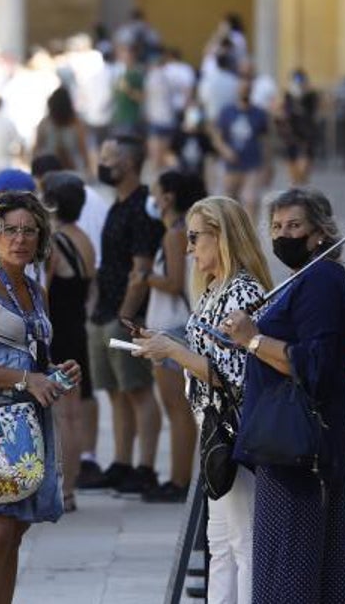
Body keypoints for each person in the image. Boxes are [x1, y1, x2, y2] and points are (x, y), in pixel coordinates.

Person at [131, 195, 272, 602]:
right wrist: (165, 344)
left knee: (241, 542)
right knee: (222, 541)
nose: (188, 248)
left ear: (222, 237)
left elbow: (233, 373)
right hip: (215, 428)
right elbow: (211, 354)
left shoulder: (241, 292)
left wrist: (172, 351)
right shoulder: (215, 289)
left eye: (195, 238)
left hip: (236, 430)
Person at [221, 187, 345, 602]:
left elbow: (315, 364)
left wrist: (253, 340)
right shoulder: (308, 278)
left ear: (320, 232)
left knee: (286, 577)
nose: (284, 235)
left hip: (297, 453)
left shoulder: (320, 280)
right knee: (305, 574)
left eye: (295, 225)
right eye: (277, 227)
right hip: (290, 451)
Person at [0, 191, 82, 604]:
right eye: (10, 230)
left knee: (14, 533)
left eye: (29, 230)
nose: (19, 238)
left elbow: (32, 358)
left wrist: (55, 373)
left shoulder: (35, 289)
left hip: (27, 422)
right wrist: (27, 379)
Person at [84, 136, 164, 493]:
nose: (102, 163)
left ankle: (145, 466)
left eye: (108, 157)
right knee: (116, 391)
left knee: (138, 389)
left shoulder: (143, 207)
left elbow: (141, 268)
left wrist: (125, 317)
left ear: (129, 163)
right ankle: (121, 461)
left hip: (127, 314)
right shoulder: (117, 203)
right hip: (106, 311)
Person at [134, 170, 206, 504]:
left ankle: (180, 480)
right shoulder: (178, 232)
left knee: (176, 407)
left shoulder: (175, 235)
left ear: (170, 196)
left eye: (158, 191)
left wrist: (146, 275)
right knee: (175, 407)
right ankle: (179, 477)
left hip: (173, 327)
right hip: (170, 325)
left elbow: (175, 282)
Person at [41, 172, 96, 512]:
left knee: (62, 413)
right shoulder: (85, 239)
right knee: (72, 413)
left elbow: (43, 291)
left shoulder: (56, 242)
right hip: (77, 331)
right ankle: (70, 489)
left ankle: (64, 489)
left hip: (58, 337)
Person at [211, 72, 269, 219]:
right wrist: (225, 151)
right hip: (231, 166)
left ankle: (249, 237)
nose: (245, 90)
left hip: (252, 164)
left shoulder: (259, 113)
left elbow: (266, 141)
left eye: (247, 88)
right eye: (242, 87)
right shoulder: (227, 111)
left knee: (251, 202)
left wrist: (268, 165)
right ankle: (231, 237)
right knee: (229, 204)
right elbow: (217, 138)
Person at [277, 69, 320, 185]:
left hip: (307, 131)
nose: (299, 83)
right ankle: (295, 184)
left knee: (305, 162)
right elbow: (281, 111)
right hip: (291, 132)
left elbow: (317, 109)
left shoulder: (311, 95)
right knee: (292, 162)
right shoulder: (287, 95)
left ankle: (302, 183)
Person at [35, 87, 92, 175]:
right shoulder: (76, 124)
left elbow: (36, 149)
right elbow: (83, 150)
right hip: (70, 171)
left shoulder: (45, 123)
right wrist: (87, 168)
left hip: (53, 172)